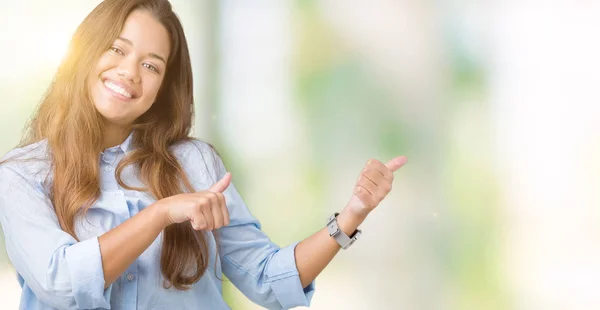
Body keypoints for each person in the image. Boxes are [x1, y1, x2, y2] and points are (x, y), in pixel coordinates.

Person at [0, 0, 407, 309]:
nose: (129, 72)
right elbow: (60, 282)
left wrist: (351, 216)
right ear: (83, 53)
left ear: (163, 87)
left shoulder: (195, 163)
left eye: (152, 65)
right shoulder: (22, 175)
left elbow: (267, 279)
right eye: (116, 49)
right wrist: (160, 213)